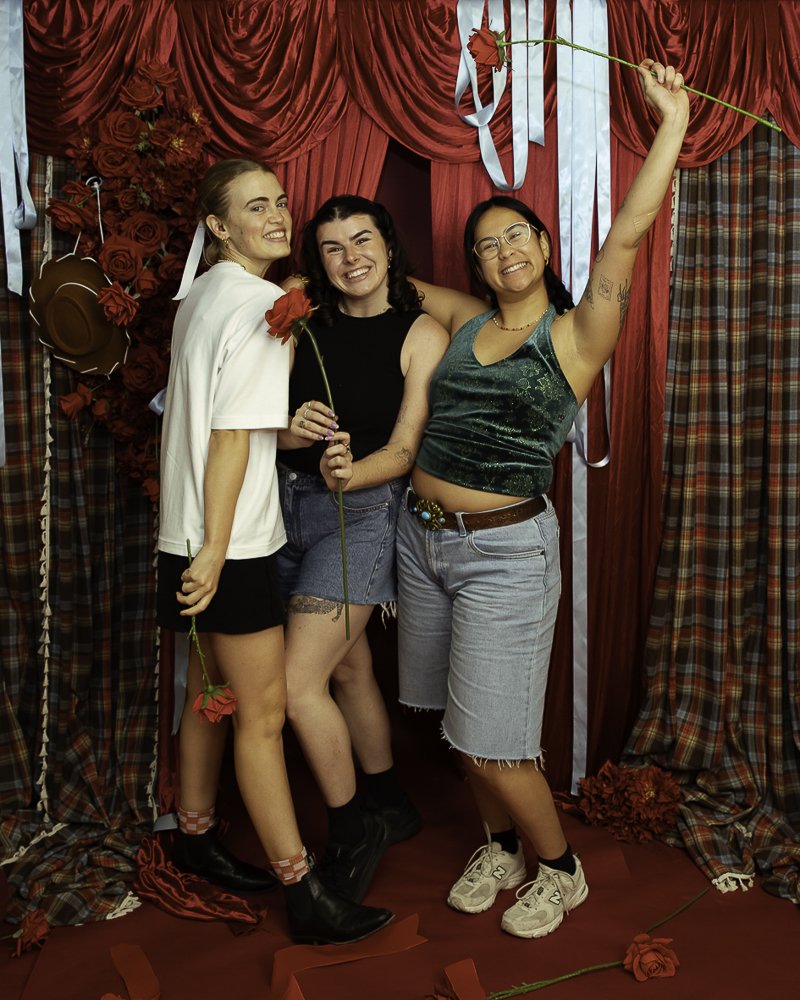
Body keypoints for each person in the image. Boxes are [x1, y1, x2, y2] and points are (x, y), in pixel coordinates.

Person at [395, 60, 689, 939]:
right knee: (455, 726)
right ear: (476, 264)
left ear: (545, 246)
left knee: (493, 735)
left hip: (506, 553)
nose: (501, 250)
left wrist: (668, 123)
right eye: (485, 242)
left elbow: (629, 238)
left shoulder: (576, 332)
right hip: (422, 541)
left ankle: (560, 869)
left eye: (515, 233)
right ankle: (500, 844)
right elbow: (374, 286)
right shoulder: (462, 318)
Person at [156, 160, 394, 944]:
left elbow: (223, 416)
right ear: (217, 226)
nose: (278, 214)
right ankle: (305, 892)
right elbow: (229, 437)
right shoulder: (265, 305)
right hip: (232, 540)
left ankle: (194, 837)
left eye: (280, 201)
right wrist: (221, 552)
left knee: (208, 689)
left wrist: (288, 433)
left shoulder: (201, 298)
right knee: (259, 716)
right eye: (254, 206)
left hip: (180, 529)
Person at [275, 195, 449, 902]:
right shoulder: (298, 322)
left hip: (364, 512)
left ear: (388, 245)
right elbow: (261, 426)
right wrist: (291, 432)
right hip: (279, 510)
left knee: (296, 685)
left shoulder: (422, 332)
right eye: (334, 248)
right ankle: (390, 802)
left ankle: (353, 827)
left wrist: (353, 470)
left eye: (363, 240)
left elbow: (406, 448)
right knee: (347, 671)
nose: (352, 258)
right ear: (318, 262)